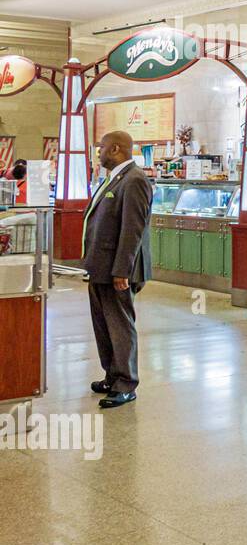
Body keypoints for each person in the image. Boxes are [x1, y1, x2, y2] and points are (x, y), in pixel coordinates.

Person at [82, 131, 152, 408]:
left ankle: (126, 383)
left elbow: (132, 230)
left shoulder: (134, 180)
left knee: (120, 326)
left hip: (117, 270)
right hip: (99, 267)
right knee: (103, 326)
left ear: (115, 148)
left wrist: (122, 270)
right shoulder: (113, 179)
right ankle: (111, 376)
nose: (97, 153)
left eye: (100, 148)